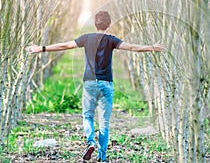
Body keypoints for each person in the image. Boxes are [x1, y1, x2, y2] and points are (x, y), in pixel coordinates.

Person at [26, 11, 165, 162]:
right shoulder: (111, 40)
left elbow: (65, 45)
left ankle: (91, 141)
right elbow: (132, 48)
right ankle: (102, 157)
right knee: (104, 122)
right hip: (106, 83)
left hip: (90, 83)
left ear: (95, 23)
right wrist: (152, 47)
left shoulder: (87, 38)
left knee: (87, 115)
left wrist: (41, 48)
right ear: (109, 24)